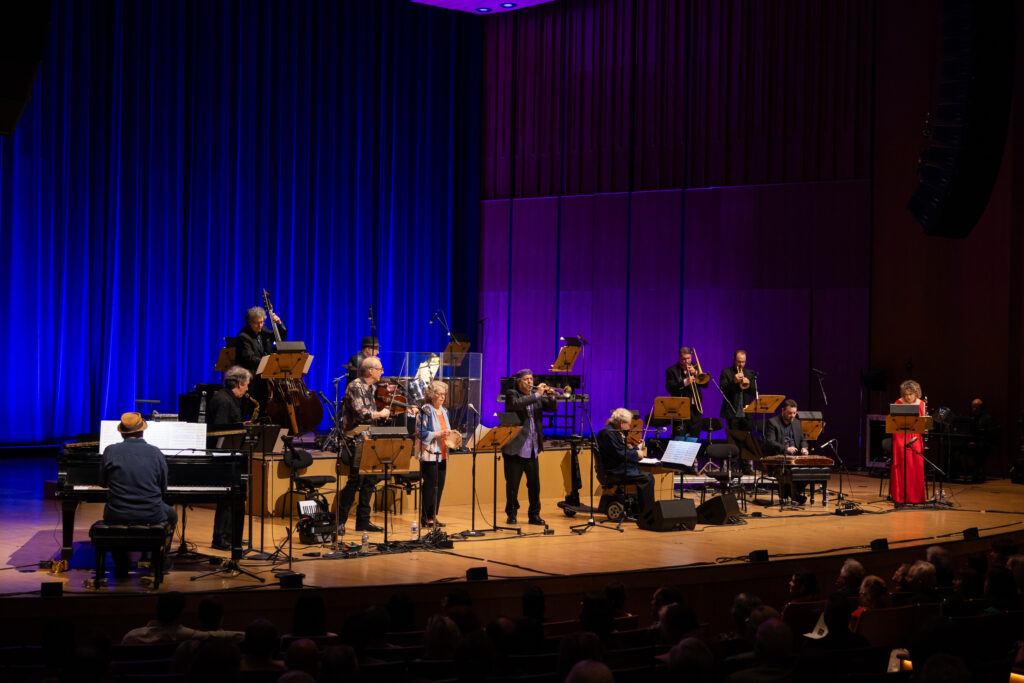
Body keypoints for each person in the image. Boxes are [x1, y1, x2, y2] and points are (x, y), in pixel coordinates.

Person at [99, 412, 178, 577]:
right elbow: (163, 489)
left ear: (122, 432)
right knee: (172, 515)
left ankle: (122, 563)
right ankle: (158, 562)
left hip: (117, 514)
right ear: (142, 431)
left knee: (110, 513)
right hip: (152, 514)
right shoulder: (156, 453)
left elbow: (102, 483)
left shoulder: (110, 451)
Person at [337, 356, 391, 534]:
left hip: (369, 438)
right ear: (370, 370)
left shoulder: (371, 388)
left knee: (370, 480)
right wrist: (381, 413)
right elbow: (362, 413)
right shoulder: (355, 386)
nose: (382, 372)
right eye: (380, 369)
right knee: (354, 481)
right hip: (355, 439)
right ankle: (340, 521)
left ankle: (363, 521)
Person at [501, 369, 556, 525]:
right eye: (526, 379)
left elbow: (553, 408)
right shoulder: (512, 393)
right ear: (519, 381)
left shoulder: (536, 396)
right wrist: (538, 394)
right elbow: (515, 405)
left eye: (531, 379)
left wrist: (551, 396)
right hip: (515, 449)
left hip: (532, 447)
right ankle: (511, 514)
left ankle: (534, 515)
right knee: (512, 486)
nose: (530, 382)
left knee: (534, 485)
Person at [208, 366, 253, 550]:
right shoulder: (224, 400)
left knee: (231, 500)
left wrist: (240, 425)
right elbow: (220, 430)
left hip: (229, 456)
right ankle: (221, 538)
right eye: (247, 385)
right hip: (224, 458)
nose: (248, 389)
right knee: (226, 500)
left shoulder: (228, 398)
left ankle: (230, 537)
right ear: (240, 383)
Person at [595, 408, 656, 519]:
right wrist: (636, 454)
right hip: (614, 471)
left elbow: (621, 451)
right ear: (622, 423)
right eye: (629, 424)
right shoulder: (608, 433)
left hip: (617, 468)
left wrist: (636, 449)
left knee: (645, 475)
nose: (630, 427)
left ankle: (640, 510)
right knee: (647, 478)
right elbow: (620, 453)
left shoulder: (613, 432)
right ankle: (647, 514)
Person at [416, 380, 454, 528]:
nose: (442, 397)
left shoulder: (445, 411)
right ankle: (425, 517)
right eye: (439, 394)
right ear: (432, 395)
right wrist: (439, 433)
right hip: (429, 453)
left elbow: (447, 431)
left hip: (443, 453)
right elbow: (421, 433)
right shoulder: (425, 409)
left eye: (444, 394)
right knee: (430, 486)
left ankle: (433, 515)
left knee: (440, 486)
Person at [235, 305, 286, 413]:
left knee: (263, 408)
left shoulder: (263, 330)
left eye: (262, 322)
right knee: (249, 408)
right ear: (249, 322)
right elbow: (250, 358)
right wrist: (269, 362)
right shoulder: (243, 336)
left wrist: (279, 323)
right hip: (251, 378)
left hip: (264, 377)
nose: (260, 325)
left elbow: (280, 337)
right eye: (257, 323)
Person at [764, 399, 810, 505]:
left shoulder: (797, 423)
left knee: (808, 470)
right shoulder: (772, 422)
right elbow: (770, 442)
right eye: (790, 413)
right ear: (783, 411)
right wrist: (786, 448)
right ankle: (794, 495)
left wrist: (804, 448)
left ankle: (789, 492)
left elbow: (803, 439)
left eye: (794, 413)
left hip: (796, 457)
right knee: (792, 471)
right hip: (779, 458)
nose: (792, 416)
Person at [891, 379, 926, 505]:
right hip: (900, 437)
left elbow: (922, 424)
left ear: (916, 393)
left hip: (915, 436)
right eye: (905, 394)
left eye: (910, 394)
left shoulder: (921, 404)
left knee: (916, 465)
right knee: (901, 464)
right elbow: (894, 422)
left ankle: (916, 497)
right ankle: (900, 497)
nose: (908, 397)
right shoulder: (898, 403)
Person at [665, 347, 707, 437]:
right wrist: (685, 382)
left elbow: (705, 385)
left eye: (688, 358)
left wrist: (696, 373)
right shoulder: (672, 371)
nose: (686, 361)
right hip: (680, 409)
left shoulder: (696, 368)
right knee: (679, 437)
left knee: (695, 437)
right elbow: (669, 388)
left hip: (695, 409)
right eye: (683, 359)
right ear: (679, 358)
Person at [720, 350, 756, 430]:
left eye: (743, 362)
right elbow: (723, 390)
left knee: (746, 439)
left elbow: (754, 392)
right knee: (733, 439)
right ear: (734, 360)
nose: (741, 365)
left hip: (746, 414)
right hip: (732, 413)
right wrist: (734, 382)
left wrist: (749, 384)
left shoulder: (750, 373)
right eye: (739, 362)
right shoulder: (726, 372)